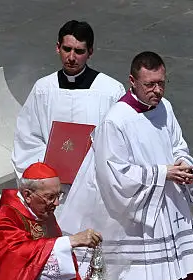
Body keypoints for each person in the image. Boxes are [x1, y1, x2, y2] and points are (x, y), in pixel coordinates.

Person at [59, 51, 193, 280]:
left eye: (161, 83)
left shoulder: (165, 108)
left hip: (168, 209)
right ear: (132, 81)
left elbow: (179, 144)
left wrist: (183, 164)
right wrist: (162, 173)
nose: (157, 91)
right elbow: (114, 174)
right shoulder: (116, 121)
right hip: (136, 218)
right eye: (149, 84)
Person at [11, 20, 125, 207]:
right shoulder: (44, 89)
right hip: (52, 188)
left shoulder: (110, 91)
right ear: (58, 47)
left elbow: (119, 139)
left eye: (79, 51)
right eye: (67, 49)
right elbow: (27, 138)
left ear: (90, 52)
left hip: (94, 187)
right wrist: (47, 173)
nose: (71, 57)